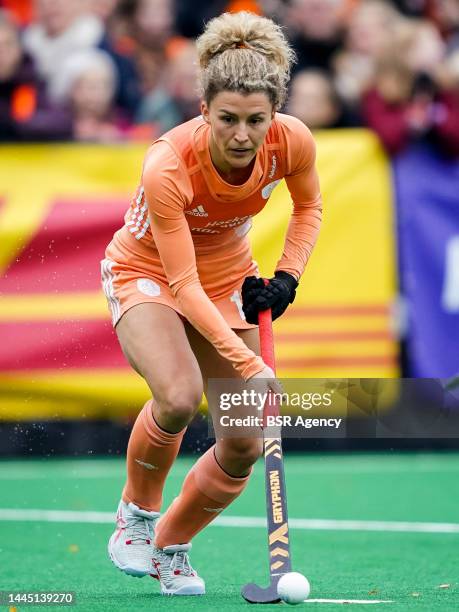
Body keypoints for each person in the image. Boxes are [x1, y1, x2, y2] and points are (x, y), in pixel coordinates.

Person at [102, 11, 322, 597]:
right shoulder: (169, 165)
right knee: (177, 397)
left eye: (256, 120)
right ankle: (138, 513)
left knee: (245, 442)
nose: (242, 135)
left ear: (275, 115)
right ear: (204, 111)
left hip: (227, 277)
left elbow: (307, 209)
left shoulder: (293, 141)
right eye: (227, 119)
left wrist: (287, 277)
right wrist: (251, 366)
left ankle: (169, 547)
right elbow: (183, 285)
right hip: (148, 274)